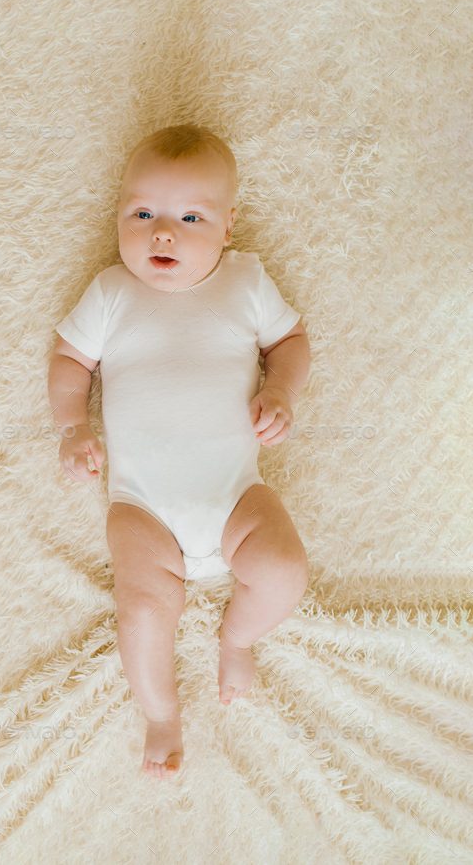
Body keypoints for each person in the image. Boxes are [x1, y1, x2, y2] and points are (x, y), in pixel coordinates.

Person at [48, 123, 311, 781]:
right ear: (119, 217)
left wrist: (280, 389)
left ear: (228, 226)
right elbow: (69, 360)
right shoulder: (112, 293)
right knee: (141, 608)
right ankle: (161, 713)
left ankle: (238, 636)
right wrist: (72, 426)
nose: (162, 233)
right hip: (144, 509)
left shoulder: (245, 281)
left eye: (190, 217)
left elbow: (291, 342)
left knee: (283, 569)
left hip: (235, 496)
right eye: (143, 214)